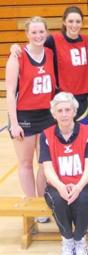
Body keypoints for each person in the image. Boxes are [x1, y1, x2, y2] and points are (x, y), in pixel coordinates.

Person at [40, 92, 88, 255]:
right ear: (54, 114)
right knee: (58, 200)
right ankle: (67, 241)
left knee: (81, 200)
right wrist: (60, 186)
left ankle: (80, 241)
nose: (64, 114)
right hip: (58, 185)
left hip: (85, 185)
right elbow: (47, 168)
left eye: (68, 110)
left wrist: (78, 187)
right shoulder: (46, 135)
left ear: (75, 112)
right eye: (60, 110)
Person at [5, 17, 56, 216]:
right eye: (33, 32)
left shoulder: (50, 54)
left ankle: (43, 203)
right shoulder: (17, 57)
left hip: (46, 116)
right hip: (24, 116)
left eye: (41, 32)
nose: (38, 36)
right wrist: (14, 124)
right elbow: (10, 92)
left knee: (44, 163)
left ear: (46, 32)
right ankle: (32, 206)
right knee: (26, 163)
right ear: (27, 34)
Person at [11, 6, 88, 124]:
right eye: (70, 21)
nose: (74, 25)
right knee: (61, 137)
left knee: (82, 136)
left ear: (82, 23)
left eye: (78, 21)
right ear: (64, 22)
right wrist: (14, 46)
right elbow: (36, 43)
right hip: (61, 97)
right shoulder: (53, 40)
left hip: (82, 99)